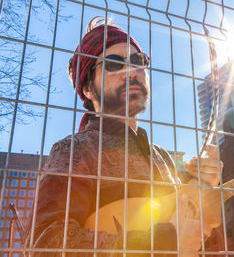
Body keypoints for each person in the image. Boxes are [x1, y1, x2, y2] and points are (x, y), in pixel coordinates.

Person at [25, 17, 223, 256]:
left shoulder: (163, 157)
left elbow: (192, 231)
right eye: (113, 63)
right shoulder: (73, 150)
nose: (131, 71)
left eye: (137, 61)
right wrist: (161, 241)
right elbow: (43, 244)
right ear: (88, 89)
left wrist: (204, 188)